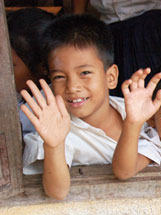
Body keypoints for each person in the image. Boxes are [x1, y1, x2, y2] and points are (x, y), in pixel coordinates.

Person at [21, 14, 128, 200]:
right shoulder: (51, 132)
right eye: (60, 77)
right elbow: (57, 192)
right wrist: (54, 145)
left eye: (85, 73)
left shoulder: (134, 111)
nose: (72, 87)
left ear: (110, 77)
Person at [72, 0, 161, 97]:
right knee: (118, 91)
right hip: (111, 27)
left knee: (153, 88)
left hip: (147, 22)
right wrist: (76, 27)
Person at [7, 8, 55, 135]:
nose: (4, 72)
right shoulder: (21, 94)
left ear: (42, 67)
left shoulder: (41, 111)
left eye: (12, 65)